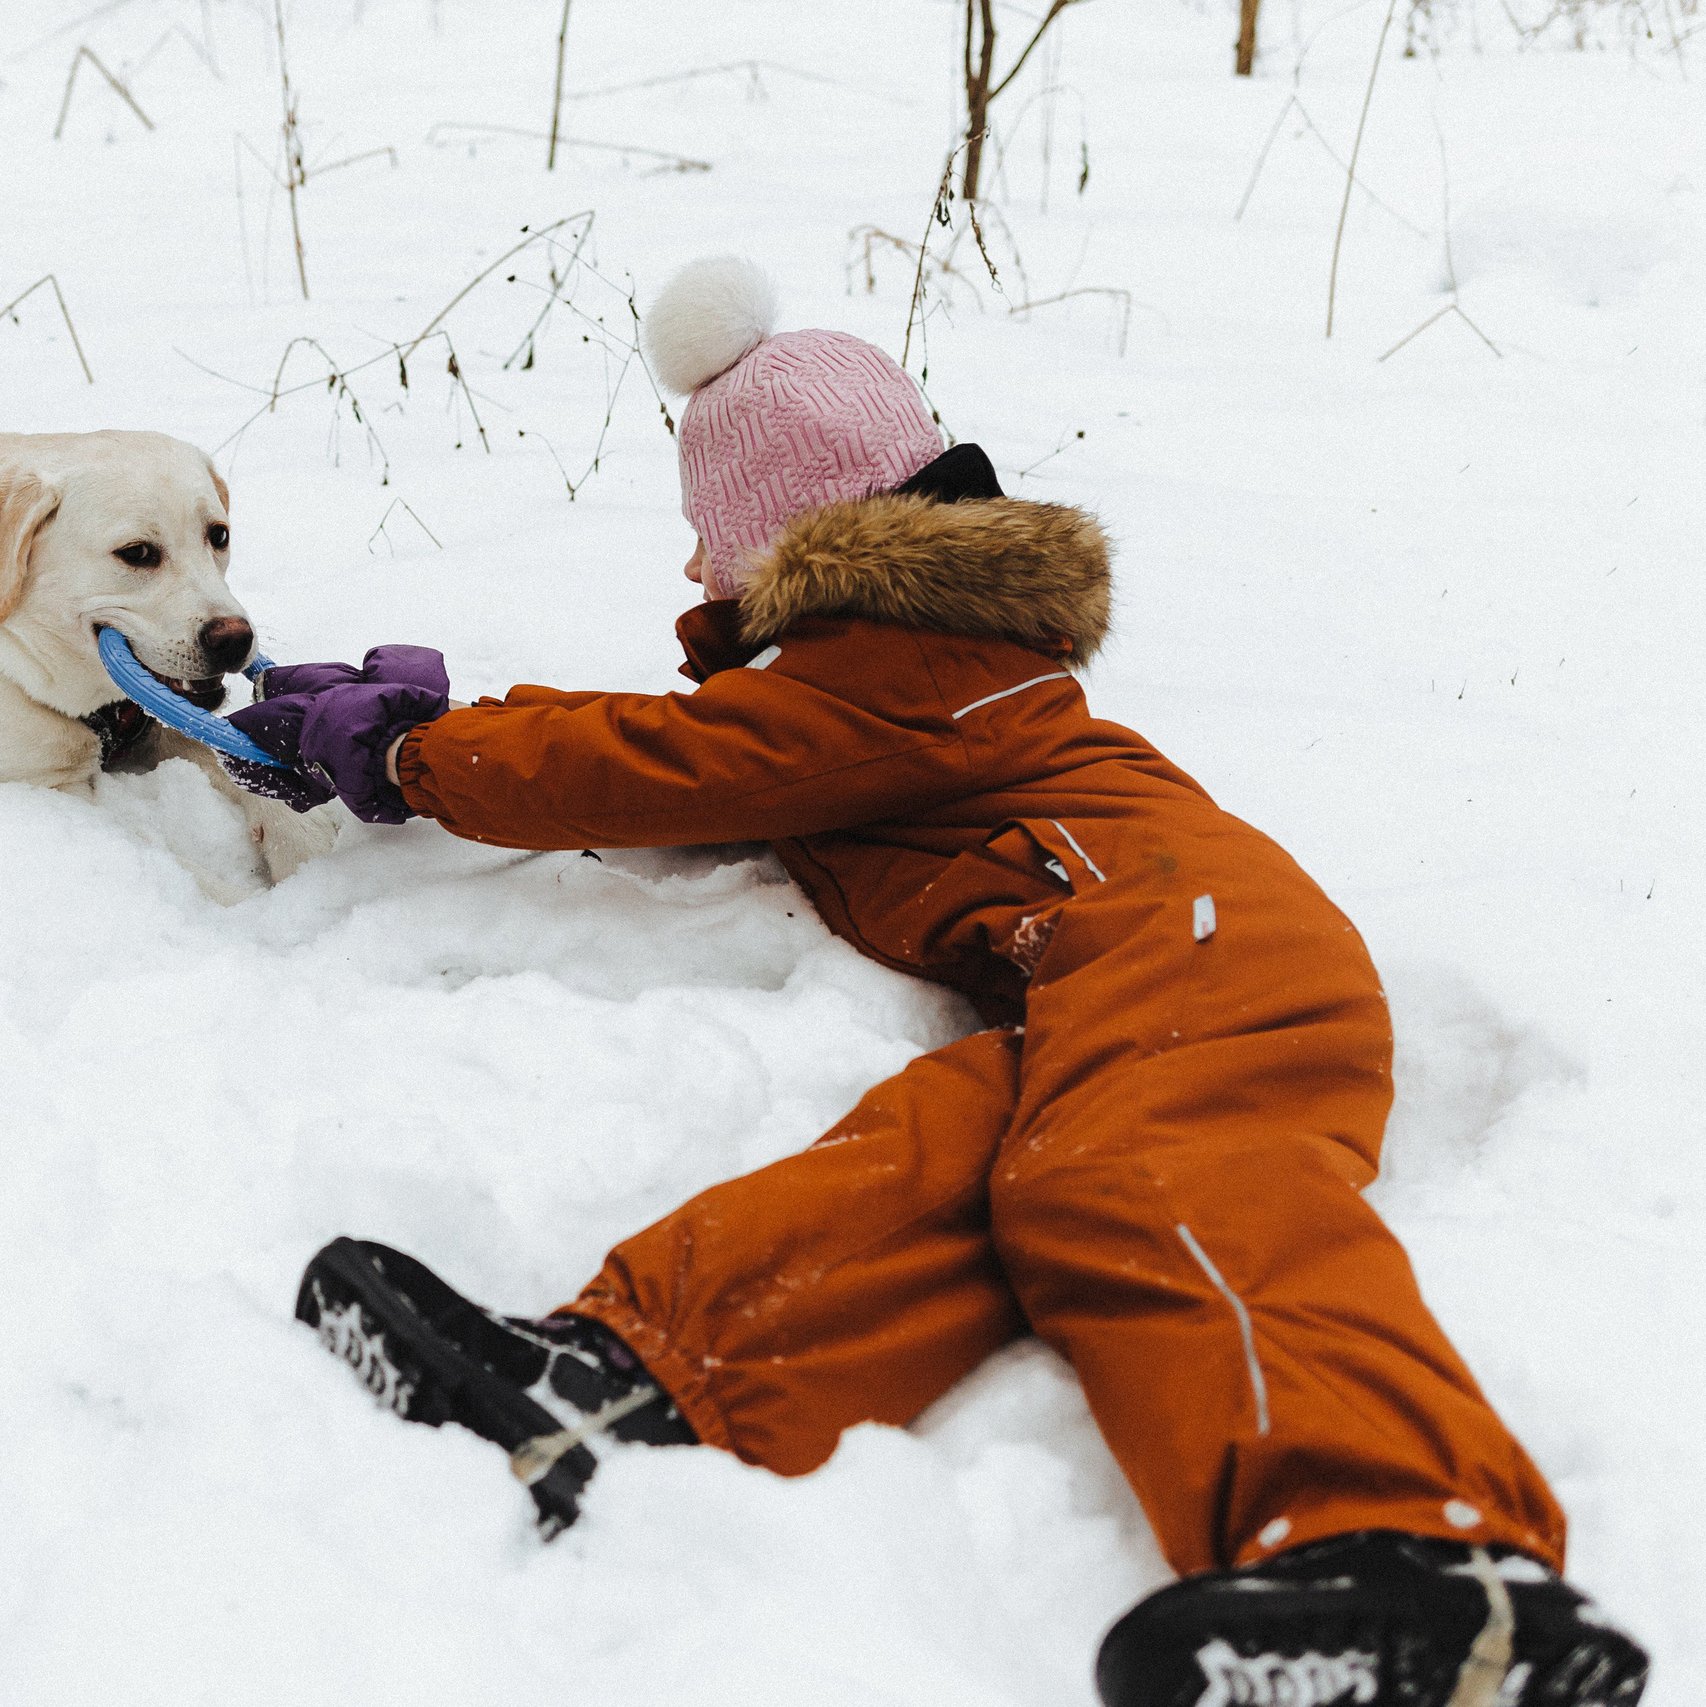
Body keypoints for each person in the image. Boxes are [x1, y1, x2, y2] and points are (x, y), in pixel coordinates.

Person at [224, 257, 1649, 1707]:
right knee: (944, 1157)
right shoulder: (893, 679)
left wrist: (412, 757)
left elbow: (665, 763)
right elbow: (700, 755)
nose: (688, 576)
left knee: (1140, 1176)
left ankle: (1427, 1561)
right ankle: (634, 1383)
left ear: (780, 550)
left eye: (705, 543)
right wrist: (452, 719)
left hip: (1204, 957)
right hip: (1120, 970)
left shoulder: (899, 675)